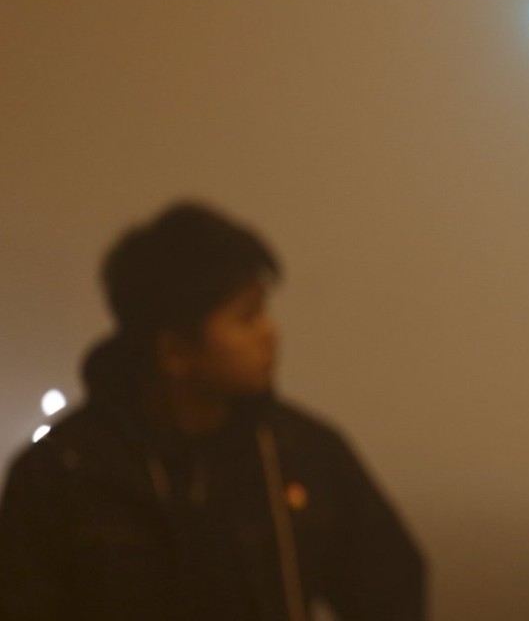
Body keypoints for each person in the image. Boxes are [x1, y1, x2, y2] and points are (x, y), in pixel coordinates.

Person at [0, 202, 426, 621]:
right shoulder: (62, 477)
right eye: (247, 317)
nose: (270, 333)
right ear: (174, 352)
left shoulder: (301, 454)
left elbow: (394, 588)